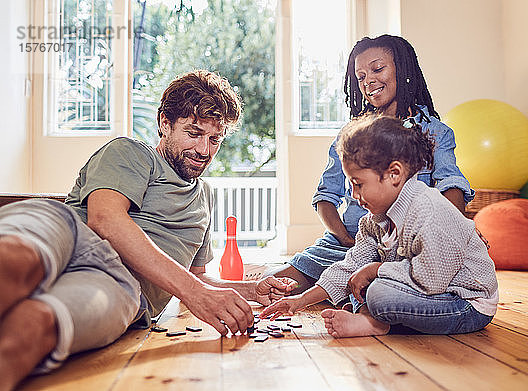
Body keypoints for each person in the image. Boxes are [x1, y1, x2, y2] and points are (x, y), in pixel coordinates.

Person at [0, 70, 295, 390]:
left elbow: (195, 278)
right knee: (14, 264)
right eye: (193, 133)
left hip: (121, 286)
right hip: (69, 232)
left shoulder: (206, 198)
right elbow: (106, 220)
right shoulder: (130, 152)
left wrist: (251, 291)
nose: (204, 150)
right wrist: (195, 292)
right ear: (164, 123)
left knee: (36, 326)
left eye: (215, 139)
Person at [269, 34, 475, 293]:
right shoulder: (351, 135)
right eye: (361, 77)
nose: (369, 82)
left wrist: (452, 232)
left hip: (408, 243)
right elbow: (325, 198)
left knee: (403, 280)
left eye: (377, 69)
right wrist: (347, 240)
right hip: (351, 242)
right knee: (277, 282)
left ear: (403, 69)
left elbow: (452, 185)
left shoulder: (435, 132)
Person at [260, 115, 498, 338]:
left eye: (359, 184)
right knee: (358, 281)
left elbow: (431, 281)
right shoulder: (374, 221)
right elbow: (349, 266)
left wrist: (375, 269)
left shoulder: (430, 211)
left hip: (464, 303)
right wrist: (299, 301)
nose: (354, 195)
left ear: (394, 174)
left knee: (378, 294)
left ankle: (374, 322)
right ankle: (370, 318)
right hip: (429, 291)